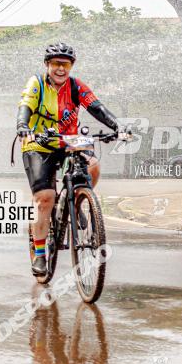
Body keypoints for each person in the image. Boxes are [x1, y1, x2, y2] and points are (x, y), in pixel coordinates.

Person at [17, 43, 121, 276]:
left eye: (65, 64)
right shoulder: (37, 84)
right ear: (47, 65)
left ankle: (76, 201)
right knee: (45, 198)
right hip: (38, 143)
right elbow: (25, 106)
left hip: (68, 141)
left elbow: (97, 107)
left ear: (71, 66)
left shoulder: (76, 86)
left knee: (93, 167)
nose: (60, 69)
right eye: (56, 64)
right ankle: (41, 254)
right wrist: (23, 125)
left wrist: (117, 126)